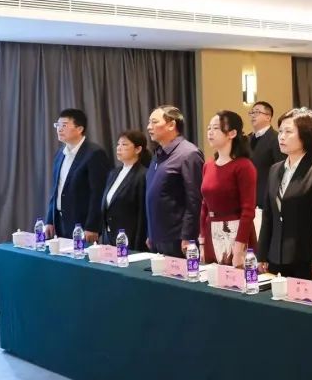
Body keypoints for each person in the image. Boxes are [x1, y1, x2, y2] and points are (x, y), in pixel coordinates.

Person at [258, 108, 312, 279]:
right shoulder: (275, 169)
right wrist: (262, 254)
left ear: (305, 135)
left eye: (288, 132)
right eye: (280, 131)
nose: (282, 137)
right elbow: (268, 216)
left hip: (305, 258)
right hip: (276, 256)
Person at [199, 111, 257, 267]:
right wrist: (202, 241)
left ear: (232, 133)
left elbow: (248, 210)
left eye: (216, 128)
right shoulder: (208, 165)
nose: (210, 132)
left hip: (236, 231)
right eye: (209, 128)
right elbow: (204, 205)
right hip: (212, 230)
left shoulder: (244, 166)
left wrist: (239, 249)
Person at [145, 105, 204, 257]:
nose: (149, 127)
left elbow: (195, 200)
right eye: (149, 122)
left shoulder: (188, 153)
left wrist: (188, 236)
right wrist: (151, 233)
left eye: (154, 122)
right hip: (158, 237)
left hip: (178, 239)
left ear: (171, 125)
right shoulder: (158, 154)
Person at [44, 109, 112, 241]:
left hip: (82, 225)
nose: (59, 129)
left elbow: (99, 193)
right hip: (59, 222)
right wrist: (50, 220)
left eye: (64, 125)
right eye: (57, 125)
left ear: (80, 129)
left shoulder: (94, 153)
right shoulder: (60, 154)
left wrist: (92, 226)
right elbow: (56, 190)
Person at [100, 130, 149, 250]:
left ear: (138, 149)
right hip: (109, 237)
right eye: (118, 144)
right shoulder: (114, 173)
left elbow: (142, 213)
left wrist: (139, 242)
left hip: (130, 238)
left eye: (124, 144)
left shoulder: (143, 175)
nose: (119, 148)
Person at [248, 101, 283, 209]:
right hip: (249, 199)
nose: (253, 115)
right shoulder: (247, 139)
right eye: (251, 112)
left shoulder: (277, 139)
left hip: (266, 200)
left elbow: (281, 171)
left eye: (257, 112)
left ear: (268, 117)